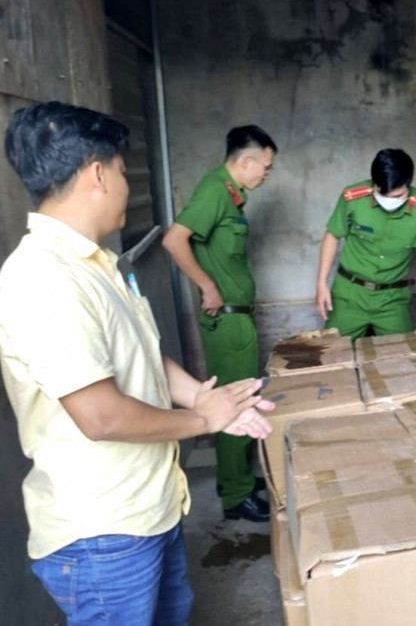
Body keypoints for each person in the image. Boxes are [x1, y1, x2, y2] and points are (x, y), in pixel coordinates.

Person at [0, 101, 274, 624]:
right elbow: (100, 415)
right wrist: (201, 421)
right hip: (103, 535)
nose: (128, 185)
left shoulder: (98, 262)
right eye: (125, 172)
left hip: (150, 511)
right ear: (98, 174)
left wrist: (202, 396)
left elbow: (143, 352)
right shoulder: (44, 278)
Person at [162, 125, 277, 523]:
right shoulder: (215, 190)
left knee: (241, 398)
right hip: (227, 322)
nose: (266, 174)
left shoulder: (231, 195)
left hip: (237, 320)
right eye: (265, 166)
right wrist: (207, 286)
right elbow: (174, 239)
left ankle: (237, 478)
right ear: (245, 161)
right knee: (233, 403)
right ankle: (236, 495)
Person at [315, 148, 416, 338]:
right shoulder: (352, 198)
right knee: (332, 357)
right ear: (374, 183)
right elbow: (333, 235)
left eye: (397, 196)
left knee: (402, 358)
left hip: (392, 301)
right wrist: (321, 283)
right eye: (382, 196)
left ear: (408, 185)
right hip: (349, 296)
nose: (388, 202)